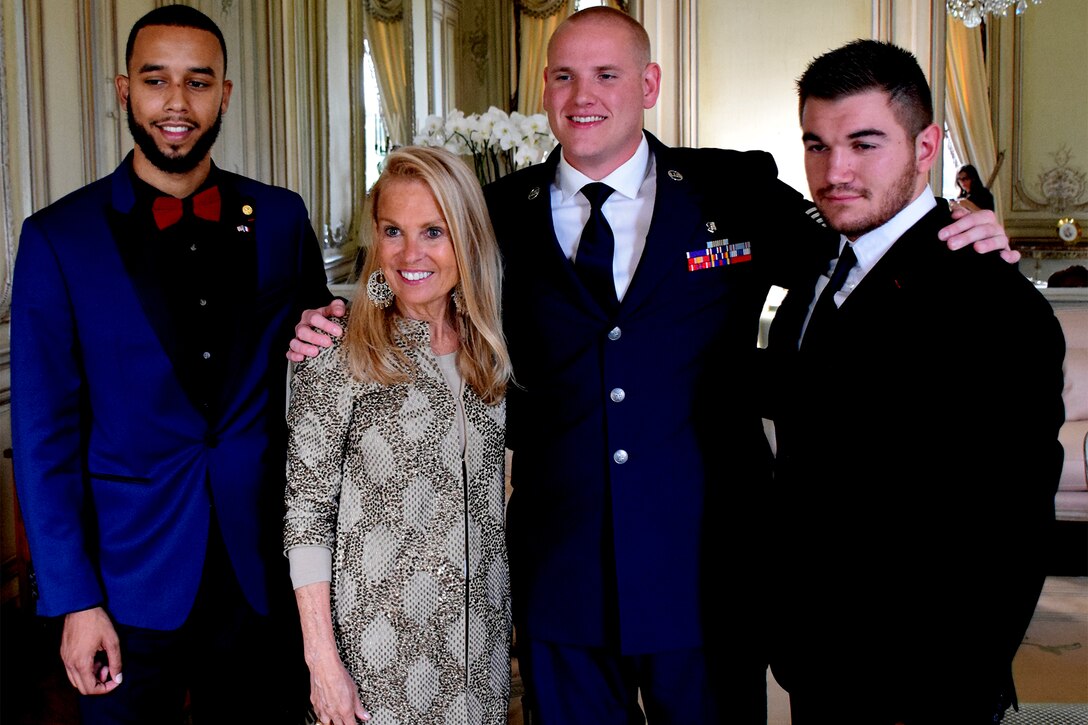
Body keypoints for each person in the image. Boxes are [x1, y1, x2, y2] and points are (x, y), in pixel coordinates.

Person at [287, 8, 1015, 723]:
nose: (583, 96)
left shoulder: (734, 189)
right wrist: (342, 310)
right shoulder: (500, 211)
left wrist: (950, 225)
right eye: (565, 76)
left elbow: (854, 246)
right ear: (545, 89)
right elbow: (418, 271)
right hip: (562, 582)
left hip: (707, 578)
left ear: (650, 84)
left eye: (608, 74)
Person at [10, 5, 331, 723]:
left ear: (225, 93)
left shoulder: (280, 218)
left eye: (198, 81)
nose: (177, 104)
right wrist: (74, 599)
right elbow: (42, 440)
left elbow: (317, 375)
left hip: (262, 573)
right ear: (125, 90)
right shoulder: (59, 238)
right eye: (157, 81)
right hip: (127, 583)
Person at [765, 39, 1065, 724]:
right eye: (816, 144)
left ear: (926, 146)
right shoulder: (819, 259)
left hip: (923, 681)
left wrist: (950, 686)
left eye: (864, 143)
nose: (834, 170)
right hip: (818, 657)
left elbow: (1012, 531)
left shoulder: (993, 304)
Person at [284, 146, 513, 725]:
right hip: (375, 669)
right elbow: (305, 517)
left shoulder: (491, 347)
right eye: (393, 231)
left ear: (466, 237)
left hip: (479, 663)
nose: (410, 254)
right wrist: (322, 665)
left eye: (433, 231)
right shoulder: (337, 349)